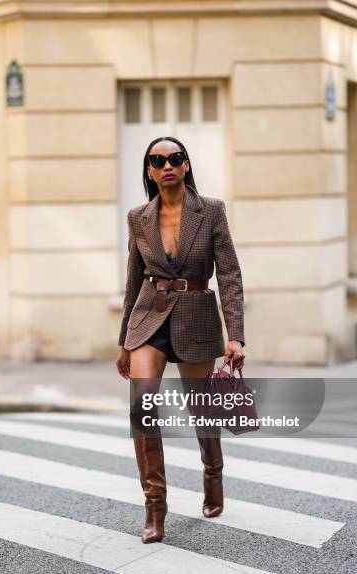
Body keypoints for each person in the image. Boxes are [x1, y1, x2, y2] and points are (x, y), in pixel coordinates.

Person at [116, 136, 246, 544]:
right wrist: (124, 340)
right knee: (143, 408)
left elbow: (228, 274)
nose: (167, 164)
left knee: (201, 411)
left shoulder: (210, 211)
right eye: (158, 160)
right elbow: (133, 279)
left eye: (175, 158)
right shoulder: (138, 216)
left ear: (186, 165)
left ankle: (213, 475)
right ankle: (155, 506)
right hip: (148, 315)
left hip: (195, 316)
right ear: (150, 171)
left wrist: (236, 336)